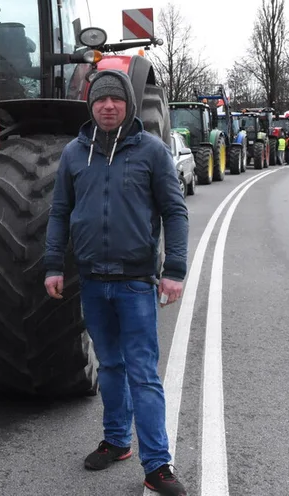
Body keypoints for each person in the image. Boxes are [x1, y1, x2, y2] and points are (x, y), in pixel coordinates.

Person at [43, 69, 189, 496]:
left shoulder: (152, 151)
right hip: (92, 282)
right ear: (91, 105)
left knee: (142, 374)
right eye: (100, 100)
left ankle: (157, 464)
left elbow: (175, 212)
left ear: (127, 104)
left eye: (116, 100)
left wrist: (174, 270)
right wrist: (54, 265)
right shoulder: (74, 153)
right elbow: (58, 212)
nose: (108, 106)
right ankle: (117, 441)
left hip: (135, 284)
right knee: (109, 368)